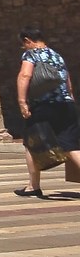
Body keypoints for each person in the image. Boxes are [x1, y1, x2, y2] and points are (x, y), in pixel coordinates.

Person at [15, 26, 79, 199]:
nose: (24, 47)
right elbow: (67, 80)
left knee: (31, 141)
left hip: (44, 106)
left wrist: (22, 102)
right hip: (66, 105)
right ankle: (32, 186)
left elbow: (25, 76)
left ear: (28, 40)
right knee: (71, 145)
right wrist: (70, 98)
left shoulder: (31, 54)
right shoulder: (57, 55)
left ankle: (33, 186)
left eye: (23, 44)